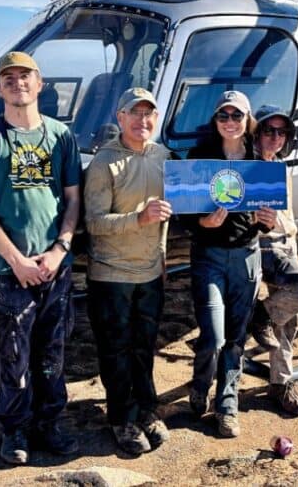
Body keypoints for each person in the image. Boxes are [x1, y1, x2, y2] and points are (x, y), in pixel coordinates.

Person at [0, 52, 81, 465]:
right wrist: (16, 260)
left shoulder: (60, 136)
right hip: (5, 270)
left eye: (25, 76)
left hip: (55, 268)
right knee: (12, 355)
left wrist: (59, 250)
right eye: (9, 77)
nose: (18, 83)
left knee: (52, 352)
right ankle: (14, 429)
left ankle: (49, 424)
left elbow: (72, 199)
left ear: (40, 83)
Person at [84, 88, 173, 455]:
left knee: (144, 347)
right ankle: (121, 418)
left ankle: (146, 411)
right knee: (116, 349)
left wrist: (163, 258)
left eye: (148, 114)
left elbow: (168, 215)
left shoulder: (163, 157)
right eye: (134, 114)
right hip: (111, 275)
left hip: (150, 273)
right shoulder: (104, 163)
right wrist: (138, 218)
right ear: (120, 118)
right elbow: (93, 222)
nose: (142, 121)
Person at [186, 90, 277, 437]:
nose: (229, 122)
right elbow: (185, 215)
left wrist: (267, 221)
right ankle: (200, 383)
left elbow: (266, 219)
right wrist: (202, 224)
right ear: (215, 120)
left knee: (236, 338)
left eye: (236, 116)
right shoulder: (200, 158)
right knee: (213, 335)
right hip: (208, 256)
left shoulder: (259, 161)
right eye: (223, 115)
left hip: (246, 256)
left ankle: (227, 404)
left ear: (247, 119)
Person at [250, 105, 298, 416]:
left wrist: (293, 236)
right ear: (257, 134)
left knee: (289, 318)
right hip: (265, 247)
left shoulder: (280, 166)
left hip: (286, 244)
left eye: (282, 132)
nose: (276, 137)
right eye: (269, 131)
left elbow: (286, 214)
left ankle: (280, 382)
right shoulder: (248, 167)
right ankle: (259, 316)